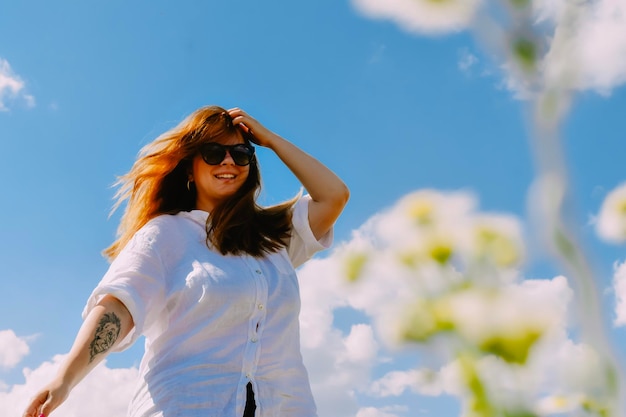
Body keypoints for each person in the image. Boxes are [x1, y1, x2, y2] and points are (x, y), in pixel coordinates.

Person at [22, 106, 349, 417]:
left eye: (240, 154)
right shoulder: (165, 234)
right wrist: (64, 380)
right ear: (190, 167)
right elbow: (118, 305)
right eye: (212, 153)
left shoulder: (274, 237)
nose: (228, 162)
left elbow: (334, 195)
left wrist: (270, 140)